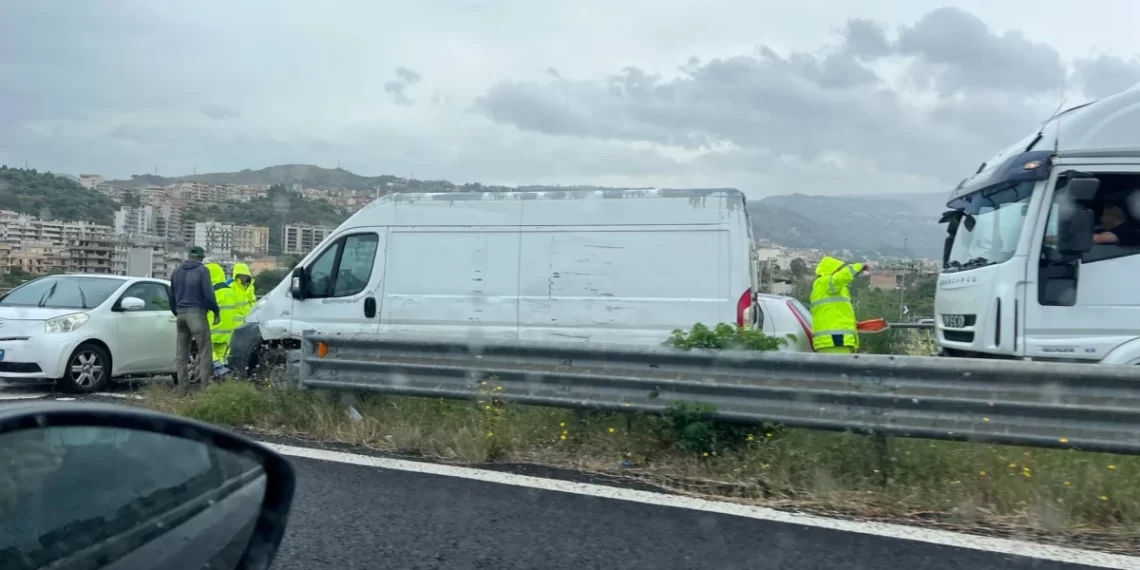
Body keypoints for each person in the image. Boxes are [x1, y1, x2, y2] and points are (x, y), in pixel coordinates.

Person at [170, 246, 220, 387]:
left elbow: (171, 296)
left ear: (189, 256)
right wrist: (215, 310)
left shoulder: (177, 271)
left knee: (181, 356)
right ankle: (205, 387)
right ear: (201, 257)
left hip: (181, 315)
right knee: (204, 352)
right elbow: (208, 294)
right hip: (197, 314)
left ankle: (182, 388)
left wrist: (177, 312)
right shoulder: (203, 270)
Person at [809, 256, 867, 354]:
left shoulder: (829, 288)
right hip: (834, 339)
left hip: (834, 340)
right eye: (838, 270)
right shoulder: (826, 283)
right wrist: (859, 266)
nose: (840, 272)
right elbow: (841, 278)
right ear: (831, 271)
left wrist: (852, 323)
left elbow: (836, 311)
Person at [205, 263, 238, 367]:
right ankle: (222, 373)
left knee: (208, 353)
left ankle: (217, 370)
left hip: (212, 329)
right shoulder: (230, 290)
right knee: (221, 357)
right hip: (226, 331)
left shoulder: (212, 291)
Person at [230, 262, 256, 328]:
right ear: (236, 276)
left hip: (248, 324)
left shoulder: (250, 287)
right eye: (241, 275)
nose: (244, 278)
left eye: (245, 275)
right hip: (235, 325)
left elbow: (253, 304)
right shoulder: (231, 287)